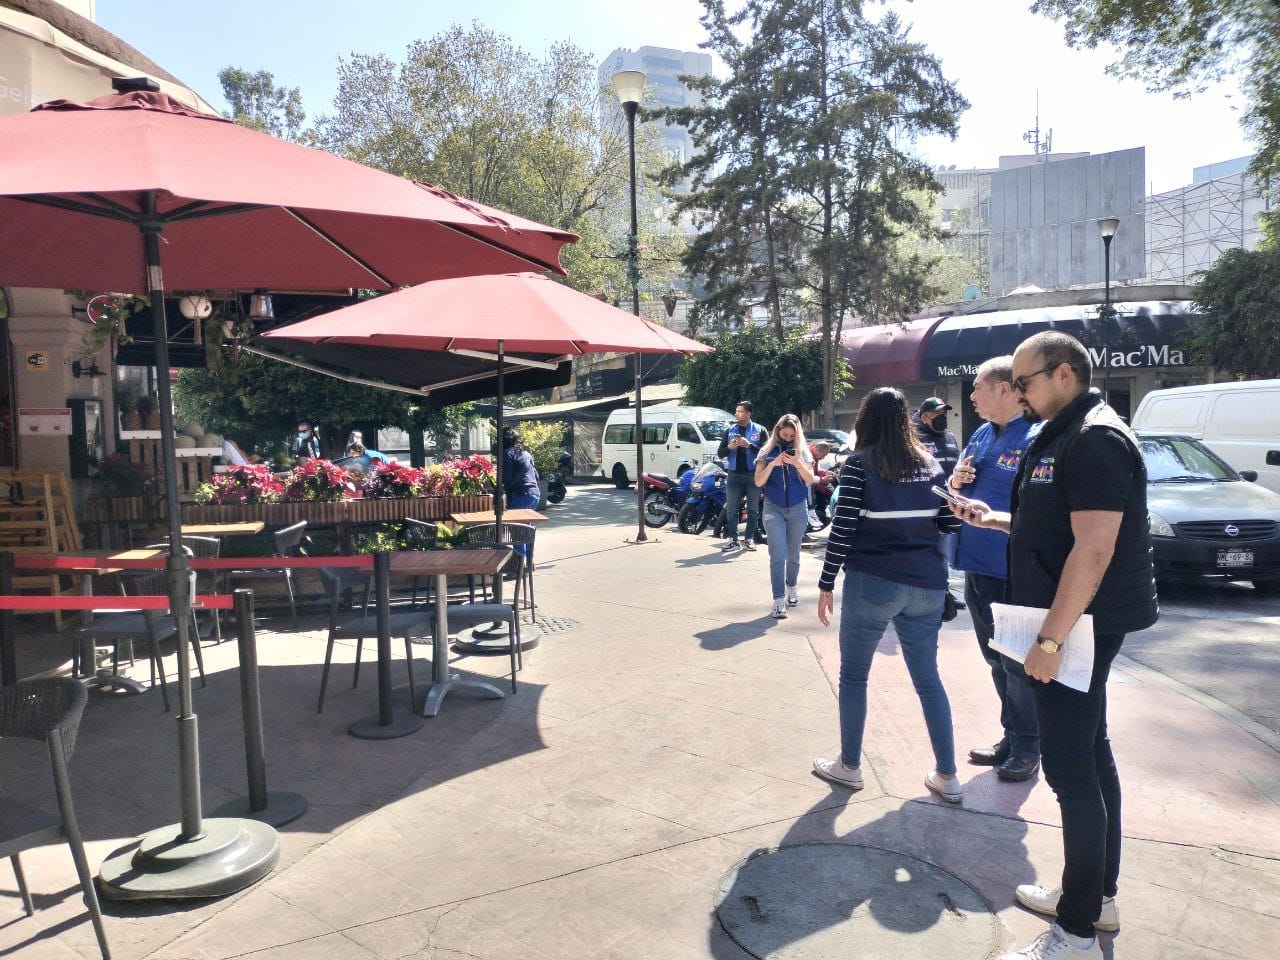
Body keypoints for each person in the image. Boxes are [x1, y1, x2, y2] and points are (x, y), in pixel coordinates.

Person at [949, 332, 1158, 960]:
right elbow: (1059, 524)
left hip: (1077, 625)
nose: (1017, 392)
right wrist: (996, 518)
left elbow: (1094, 550)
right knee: (1091, 755)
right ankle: (1098, 896)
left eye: (1025, 381)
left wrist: (1050, 638)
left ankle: (1073, 929)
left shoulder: (1094, 437)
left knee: (1071, 768)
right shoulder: (1061, 429)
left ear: (1063, 373)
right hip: (1070, 620)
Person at [812, 387, 964, 804]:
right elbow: (950, 525)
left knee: (854, 676)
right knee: (928, 679)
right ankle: (948, 775)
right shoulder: (931, 464)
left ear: (866, 419)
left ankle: (849, 766)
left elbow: (842, 532)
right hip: (927, 586)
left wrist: (826, 584)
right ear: (906, 421)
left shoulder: (860, 466)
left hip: (873, 583)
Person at [949, 356, 1044, 782]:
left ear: (1005, 389)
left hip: (1013, 568)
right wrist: (955, 482)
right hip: (977, 563)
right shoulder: (984, 434)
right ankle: (1011, 736)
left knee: (1017, 664)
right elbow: (962, 482)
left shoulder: (1037, 437)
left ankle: (1029, 746)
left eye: (977, 387)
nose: (971, 396)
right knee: (993, 657)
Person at [754, 414, 815, 619]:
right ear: (777, 431)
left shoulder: (804, 453)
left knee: (794, 555)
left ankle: (792, 588)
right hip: (773, 508)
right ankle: (779, 599)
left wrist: (797, 462)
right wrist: (773, 464)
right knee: (777, 555)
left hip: (798, 508)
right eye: (784, 434)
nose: (788, 438)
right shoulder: (766, 452)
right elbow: (758, 482)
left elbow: (810, 480)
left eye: (792, 435)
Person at [717, 401, 768, 553]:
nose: (736, 414)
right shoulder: (729, 430)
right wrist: (730, 447)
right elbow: (720, 453)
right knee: (731, 508)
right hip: (734, 474)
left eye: (740, 411)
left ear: (748, 414)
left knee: (752, 509)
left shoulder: (760, 430)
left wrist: (749, 445)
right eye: (736, 411)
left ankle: (749, 539)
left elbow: (767, 454)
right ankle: (733, 539)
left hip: (753, 475)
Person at [913, 397, 960, 478]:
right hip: (927, 489)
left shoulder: (950, 436)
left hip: (951, 489)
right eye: (937, 413)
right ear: (924, 417)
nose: (942, 417)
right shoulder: (914, 438)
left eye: (944, 413)